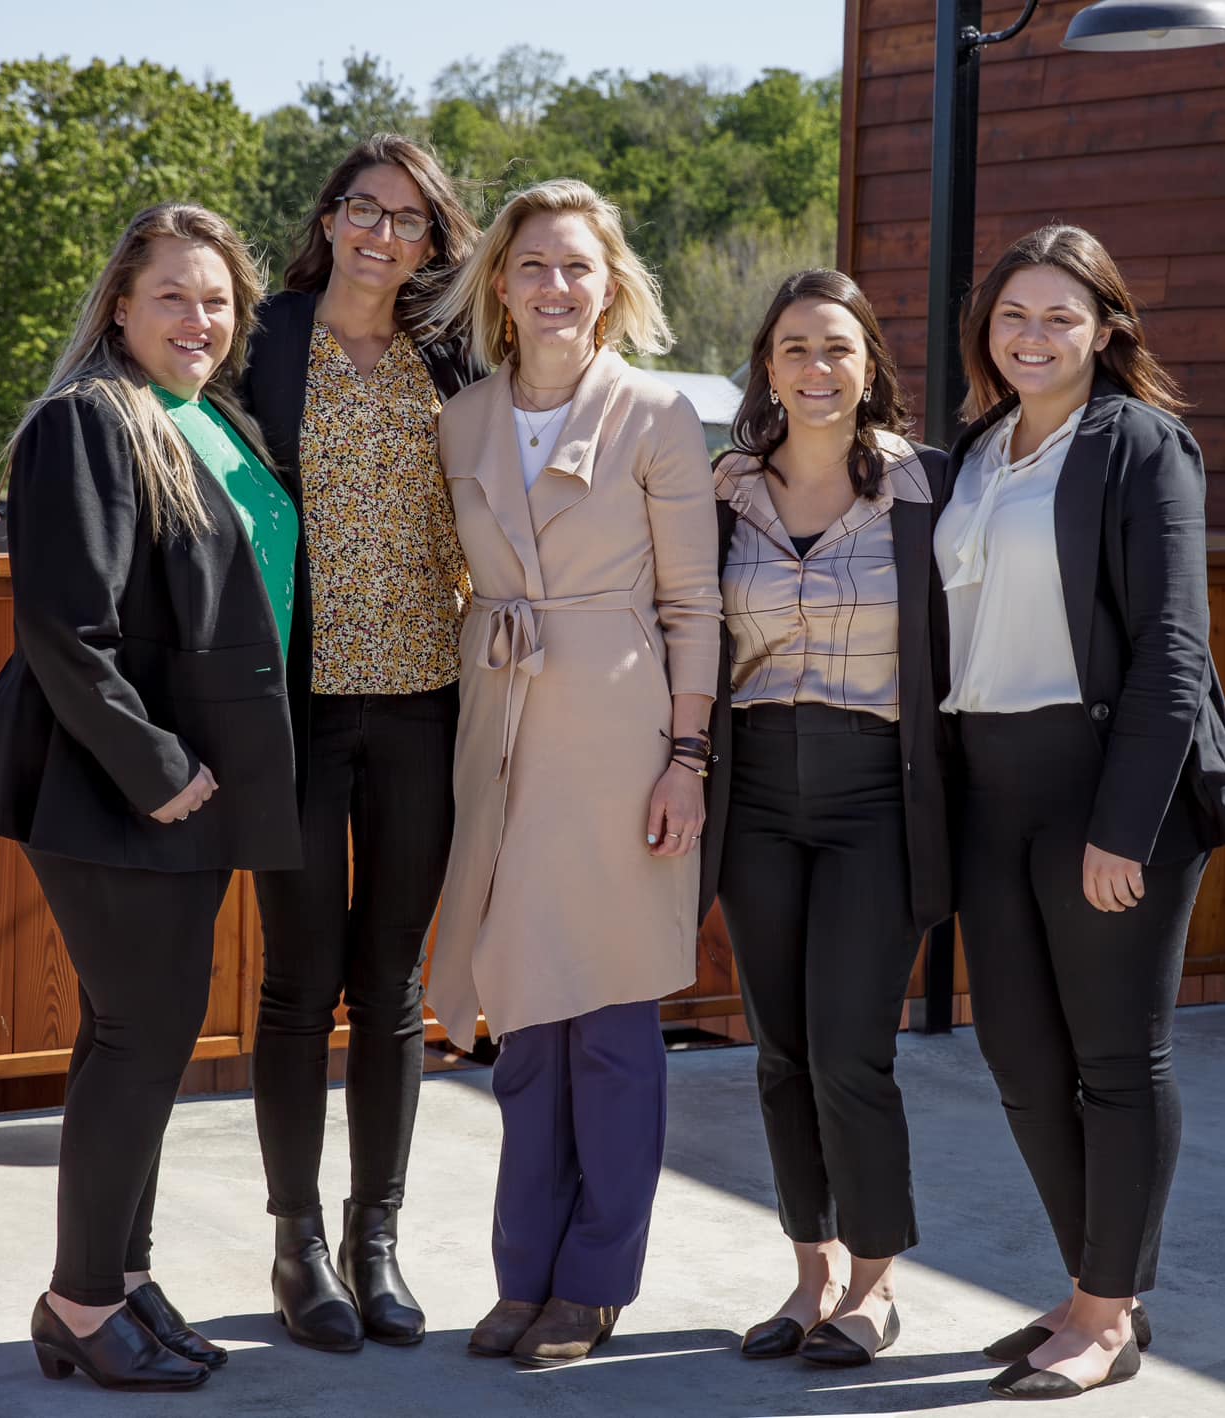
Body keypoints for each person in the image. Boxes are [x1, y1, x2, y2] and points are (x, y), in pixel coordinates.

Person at [0, 203, 301, 1391]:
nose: (199, 318)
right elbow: (62, 624)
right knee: (142, 1038)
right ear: (119, 307)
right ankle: (82, 1299)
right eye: (172, 296)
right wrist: (159, 771)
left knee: (135, 1037)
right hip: (122, 787)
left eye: (216, 299)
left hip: (196, 787)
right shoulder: (86, 424)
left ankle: (117, 1280)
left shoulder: (209, 421)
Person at [937, 224, 1225, 1400]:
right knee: (1020, 1057)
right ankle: (1093, 1283)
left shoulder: (1142, 446)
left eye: (1058, 317)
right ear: (987, 330)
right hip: (987, 784)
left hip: (1103, 787)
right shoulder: (974, 450)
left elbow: (1175, 648)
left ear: (1106, 329)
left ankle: (1103, 1306)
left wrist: (1121, 826)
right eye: (1011, 315)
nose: (1031, 335)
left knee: (1114, 1060)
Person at [422, 178, 720, 1369]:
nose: (555, 286)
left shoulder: (658, 414)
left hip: (620, 732)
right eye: (533, 264)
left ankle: (594, 1281)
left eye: (577, 267)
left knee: (607, 1020)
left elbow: (692, 601)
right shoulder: (461, 418)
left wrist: (686, 756)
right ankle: (521, 1271)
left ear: (611, 285)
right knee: (523, 1018)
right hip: (499, 724)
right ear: (499, 281)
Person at [238, 133, 479, 1354]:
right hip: (295, 711)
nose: (382, 235)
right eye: (362, 209)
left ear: (435, 245)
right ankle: (296, 1244)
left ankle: (374, 1237)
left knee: (390, 985)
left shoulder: (452, 359)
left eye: (409, 222)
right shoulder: (263, 341)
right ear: (329, 218)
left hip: (424, 702)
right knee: (297, 981)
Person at [699, 269, 953, 1368]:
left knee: (851, 1049)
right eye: (794, 346)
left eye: (837, 348)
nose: (815, 367)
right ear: (766, 364)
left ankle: (872, 1283)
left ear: (867, 367)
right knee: (780, 1049)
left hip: (871, 793)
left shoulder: (921, 488)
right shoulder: (722, 491)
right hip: (752, 788)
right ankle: (805, 1279)